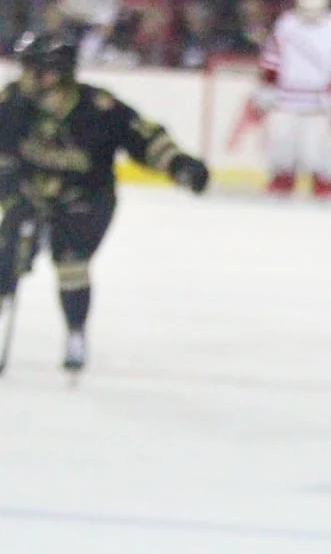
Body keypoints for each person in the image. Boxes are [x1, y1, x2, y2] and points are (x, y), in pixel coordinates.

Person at [0, 30, 209, 373]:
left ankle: (76, 334)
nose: (27, 77)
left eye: (36, 70)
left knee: (70, 259)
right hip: (31, 191)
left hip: (86, 196)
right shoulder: (12, 104)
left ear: (59, 74)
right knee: (6, 252)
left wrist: (179, 165)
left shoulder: (97, 109)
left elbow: (144, 137)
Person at [253, 0, 331, 200]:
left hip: (320, 99)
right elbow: (271, 60)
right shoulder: (286, 25)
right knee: (281, 142)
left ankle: (324, 183)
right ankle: (282, 179)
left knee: (316, 148)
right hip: (285, 97)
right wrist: (267, 86)